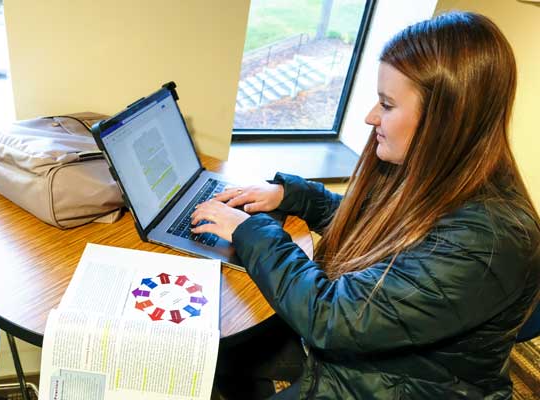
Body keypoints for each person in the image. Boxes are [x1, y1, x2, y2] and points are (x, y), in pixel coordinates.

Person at [192, 11, 540, 400]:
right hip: (374, 362)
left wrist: (249, 230)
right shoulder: (444, 174)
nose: (369, 116)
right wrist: (292, 196)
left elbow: (332, 317)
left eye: (387, 105)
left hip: (391, 385)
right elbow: (379, 227)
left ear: (446, 119)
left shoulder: (487, 240)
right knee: (224, 354)